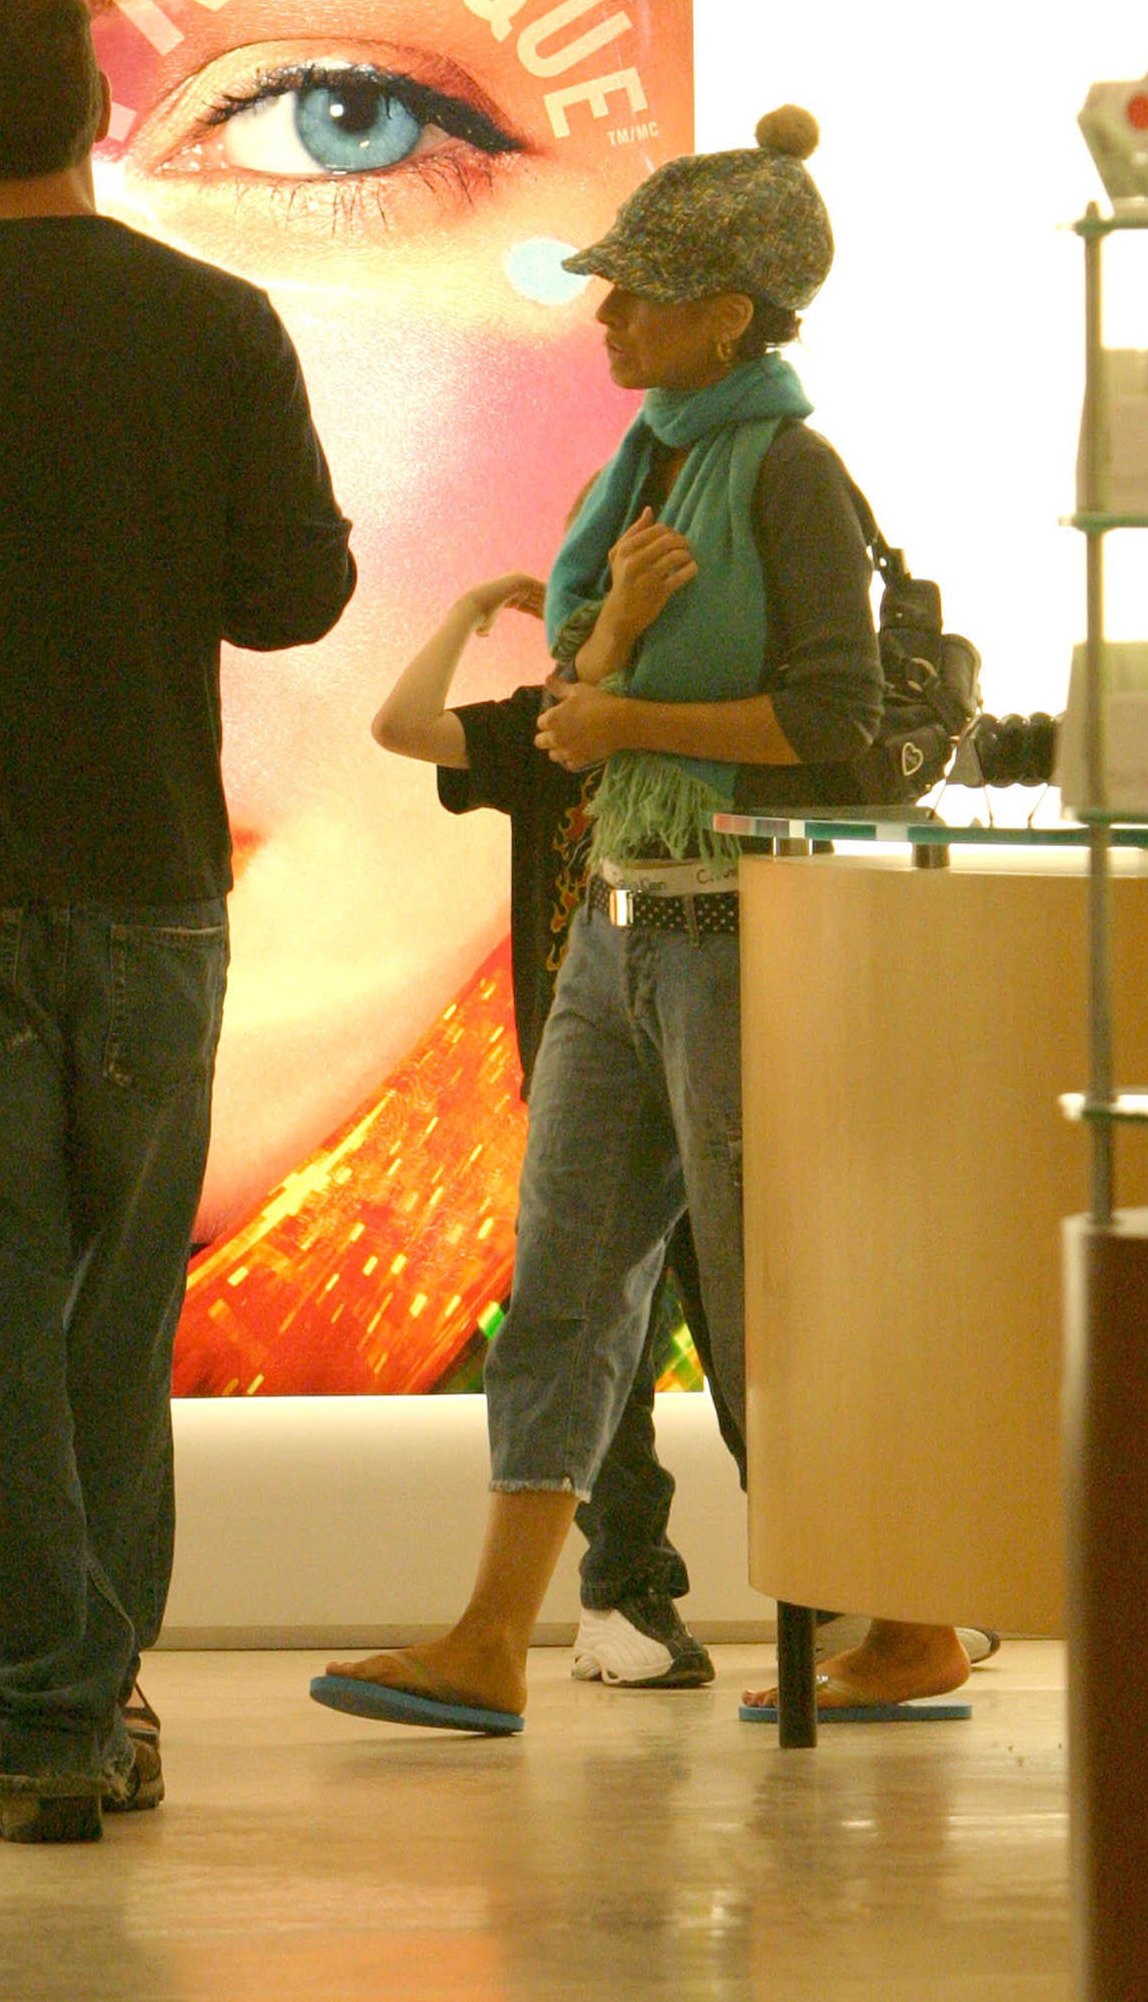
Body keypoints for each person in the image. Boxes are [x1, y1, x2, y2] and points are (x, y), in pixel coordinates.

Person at [0, 0, 693, 1388]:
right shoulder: (160, 335)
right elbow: (290, 592)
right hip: (86, 883)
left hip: (10, 896)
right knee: (19, 1300)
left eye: (342, 110)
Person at [0, 0, 355, 1839]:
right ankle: (97, 1695)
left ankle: (33, 1730)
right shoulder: (216, 325)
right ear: (102, 110)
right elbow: (296, 593)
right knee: (114, 1309)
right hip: (153, 876)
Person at [318, 109, 972, 1732]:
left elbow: (827, 722)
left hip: (733, 930)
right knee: (561, 1285)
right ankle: (491, 1636)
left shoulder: (789, 475)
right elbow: (573, 711)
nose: (605, 314)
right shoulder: (658, 459)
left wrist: (629, 722)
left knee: (761, 1305)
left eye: (640, 292)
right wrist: (606, 690)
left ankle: (903, 1620)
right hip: (625, 926)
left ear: (727, 318)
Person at [371, 533, 739, 1690]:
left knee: (736, 1329)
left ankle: (846, 1591)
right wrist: (472, 610)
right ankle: (618, 1591)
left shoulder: (692, 726)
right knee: (590, 1331)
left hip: (693, 1039)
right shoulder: (545, 732)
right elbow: (400, 725)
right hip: (599, 1058)